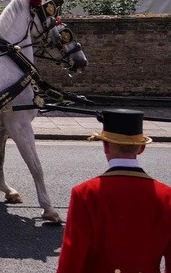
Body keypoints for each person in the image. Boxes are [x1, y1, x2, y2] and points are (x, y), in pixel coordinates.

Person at [55, 108, 171, 273]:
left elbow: (71, 259)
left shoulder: (85, 193)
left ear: (105, 146)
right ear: (141, 148)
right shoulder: (167, 196)